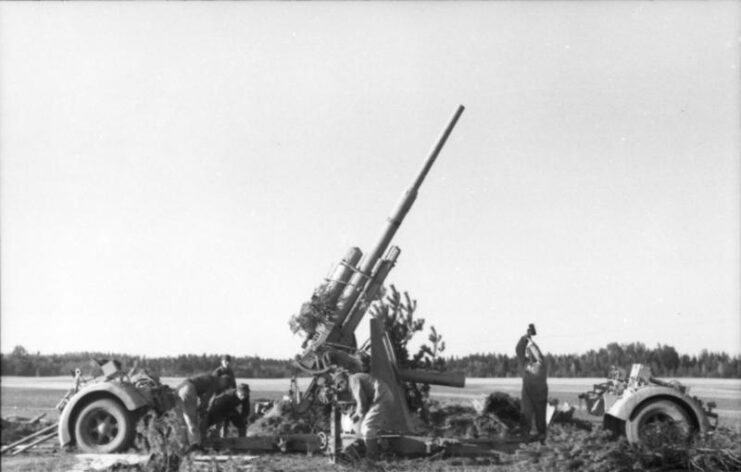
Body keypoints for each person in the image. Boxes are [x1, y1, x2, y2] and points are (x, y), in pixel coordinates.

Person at [332, 369, 394, 460]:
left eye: (339, 386)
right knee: (371, 426)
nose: (340, 389)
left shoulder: (353, 380)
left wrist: (357, 415)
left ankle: (372, 458)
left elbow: (361, 402)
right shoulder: (355, 378)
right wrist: (357, 413)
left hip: (381, 398)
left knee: (368, 425)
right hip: (382, 397)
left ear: (342, 381)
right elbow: (363, 401)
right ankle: (377, 452)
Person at [176, 373, 231, 451]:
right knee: (192, 420)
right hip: (189, 388)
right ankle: (195, 445)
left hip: (181, 387)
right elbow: (206, 399)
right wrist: (201, 410)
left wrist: (201, 408)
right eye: (225, 386)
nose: (223, 388)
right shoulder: (215, 381)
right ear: (223, 381)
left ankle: (182, 445)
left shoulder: (208, 378)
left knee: (183, 419)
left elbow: (202, 397)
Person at [516, 323, 549, 443]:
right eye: (527, 353)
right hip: (527, 392)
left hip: (539, 393)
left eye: (530, 353)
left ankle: (541, 437)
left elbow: (538, 354)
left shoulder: (541, 364)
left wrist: (531, 343)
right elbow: (519, 350)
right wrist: (525, 337)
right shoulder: (525, 363)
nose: (528, 354)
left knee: (540, 415)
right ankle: (525, 435)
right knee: (526, 414)